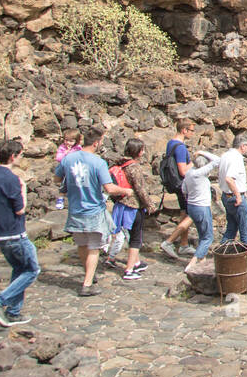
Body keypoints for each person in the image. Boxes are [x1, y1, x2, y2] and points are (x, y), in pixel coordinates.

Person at [57, 126, 132, 296]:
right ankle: (88, 283)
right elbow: (109, 188)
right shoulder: (98, 162)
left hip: (75, 209)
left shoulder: (68, 159)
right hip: (93, 209)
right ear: (97, 143)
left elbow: (57, 177)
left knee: (82, 244)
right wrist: (126, 191)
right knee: (94, 247)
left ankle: (88, 275)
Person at [0, 139, 39, 326]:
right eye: (20, 155)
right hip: (14, 233)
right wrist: (23, 189)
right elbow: (20, 209)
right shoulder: (11, 179)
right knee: (32, 270)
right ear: (13, 156)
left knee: (19, 269)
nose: (20, 158)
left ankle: (14, 312)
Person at [106, 139, 158, 280]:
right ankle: (129, 269)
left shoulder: (120, 163)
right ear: (138, 152)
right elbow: (140, 190)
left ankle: (136, 262)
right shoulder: (134, 167)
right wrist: (150, 205)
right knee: (136, 238)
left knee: (129, 234)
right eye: (142, 150)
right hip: (133, 206)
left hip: (121, 204)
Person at [160, 118, 197, 259]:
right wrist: (194, 163)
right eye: (192, 131)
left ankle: (184, 244)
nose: (193, 134)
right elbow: (183, 170)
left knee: (184, 212)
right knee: (191, 214)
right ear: (184, 130)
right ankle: (169, 241)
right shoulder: (180, 148)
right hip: (182, 184)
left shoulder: (171, 143)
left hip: (175, 184)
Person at [219, 133, 247, 256]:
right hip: (235, 198)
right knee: (245, 232)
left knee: (231, 229)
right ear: (243, 146)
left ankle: (221, 254)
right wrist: (238, 196)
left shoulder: (225, 155)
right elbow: (229, 179)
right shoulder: (236, 158)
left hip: (226, 196)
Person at [182, 151, 220, 267]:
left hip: (191, 206)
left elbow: (184, 190)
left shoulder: (189, 173)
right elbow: (218, 160)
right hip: (202, 207)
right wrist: (202, 152)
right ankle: (193, 261)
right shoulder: (199, 173)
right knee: (208, 237)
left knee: (202, 235)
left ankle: (202, 262)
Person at [53, 129, 81, 210]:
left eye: (71, 141)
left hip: (75, 169)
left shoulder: (78, 148)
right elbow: (58, 158)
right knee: (64, 184)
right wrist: (66, 152)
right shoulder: (62, 147)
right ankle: (60, 198)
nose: (68, 143)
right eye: (66, 140)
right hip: (65, 169)